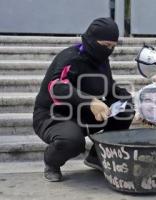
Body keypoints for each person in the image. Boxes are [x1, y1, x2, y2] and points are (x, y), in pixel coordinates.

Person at [32, 18, 135, 182]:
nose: (108, 50)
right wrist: (91, 102)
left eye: (112, 47)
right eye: (105, 45)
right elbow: (57, 87)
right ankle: (51, 162)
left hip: (84, 115)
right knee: (72, 141)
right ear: (92, 40)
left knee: (126, 109)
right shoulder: (70, 58)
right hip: (53, 116)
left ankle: (97, 156)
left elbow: (109, 87)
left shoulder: (101, 61)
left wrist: (132, 100)